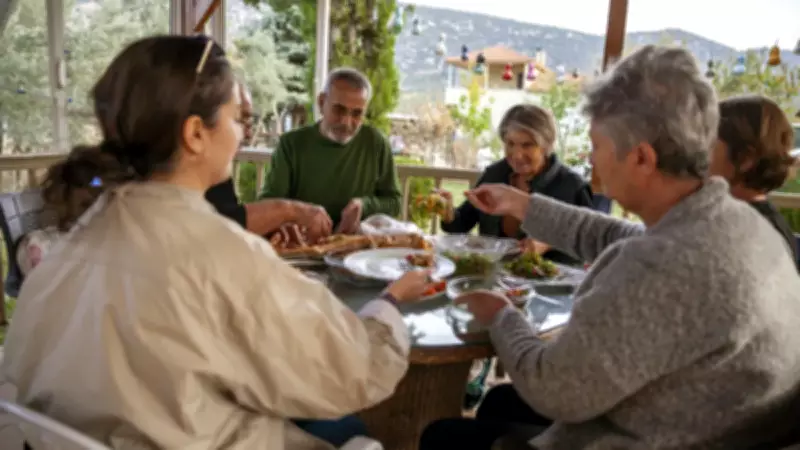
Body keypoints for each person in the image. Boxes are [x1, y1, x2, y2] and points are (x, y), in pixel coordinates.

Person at [2, 35, 435, 450]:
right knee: (349, 427)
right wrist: (389, 302)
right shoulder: (223, 256)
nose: (243, 133)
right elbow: (353, 370)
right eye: (236, 118)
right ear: (195, 133)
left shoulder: (67, 251)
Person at [420, 45, 800, 450]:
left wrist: (501, 314)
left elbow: (554, 388)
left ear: (641, 158)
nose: (591, 160)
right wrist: (522, 204)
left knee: (442, 437)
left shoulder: (662, 269)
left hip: (644, 437)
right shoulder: (736, 223)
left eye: (596, 146)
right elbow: (619, 236)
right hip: (690, 416)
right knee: (500, 402)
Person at [440, 104, 594, 264]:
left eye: (527, 145)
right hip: (492, 275)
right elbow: (460, 226)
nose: (517, 155)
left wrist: (548, 242)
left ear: (546, 145)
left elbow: (590, 242)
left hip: (554, 278)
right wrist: (447, 211)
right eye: (510, 144)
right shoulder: (494, 175)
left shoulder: (572, 186)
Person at [260, 68, 402, 234]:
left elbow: (395, 202)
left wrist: (364, 205)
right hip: (302, 242)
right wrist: (300, 212)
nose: (346, 122)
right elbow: (268, 204)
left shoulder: (376, 143)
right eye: (339, 110)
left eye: (357, 114)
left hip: (357, 244)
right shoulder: (290, 144)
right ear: (321, 103)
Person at [204, 80, 332, 240]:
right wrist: (288, 211)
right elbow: (224, 226)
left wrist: (271, 224)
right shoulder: (195, 173)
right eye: (238, 119)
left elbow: (233, 217)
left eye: (249, 121)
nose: (248, 134)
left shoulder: (219, 169)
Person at [711, 94, 798, 267]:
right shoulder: (757, 222)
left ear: (745, 159)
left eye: (710, 145)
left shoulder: (743, 233)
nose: (699, 155)